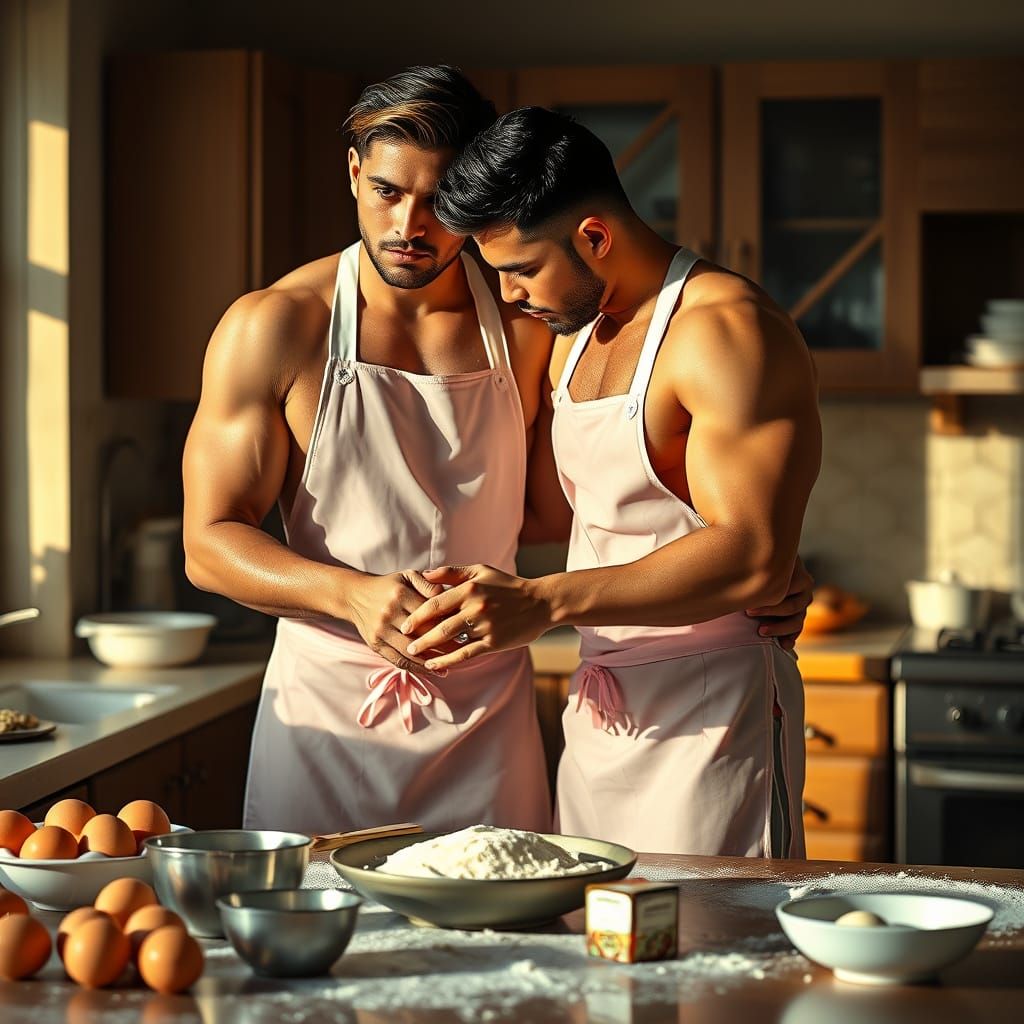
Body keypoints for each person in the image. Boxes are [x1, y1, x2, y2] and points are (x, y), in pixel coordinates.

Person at [182, 67, 811, 840]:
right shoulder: (273, 326)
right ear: (353, 173)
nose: (409, 225)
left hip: (489, 724)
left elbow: (571, 509)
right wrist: (349, 596)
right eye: (385, 191)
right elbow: (207, 545)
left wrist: (756, 566)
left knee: (518, 950)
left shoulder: (532, 325)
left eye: (437, 200)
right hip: (326, 715)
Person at [401, 106, 822, 857]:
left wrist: (544, 601)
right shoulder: (574, 336)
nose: (509, 297)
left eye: (520, 270)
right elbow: (581, 516)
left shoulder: (724, 329)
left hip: (715, 715)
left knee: (714, 956)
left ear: (594, 236)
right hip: (601, 715)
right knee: (598, 950)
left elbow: (753, 552)